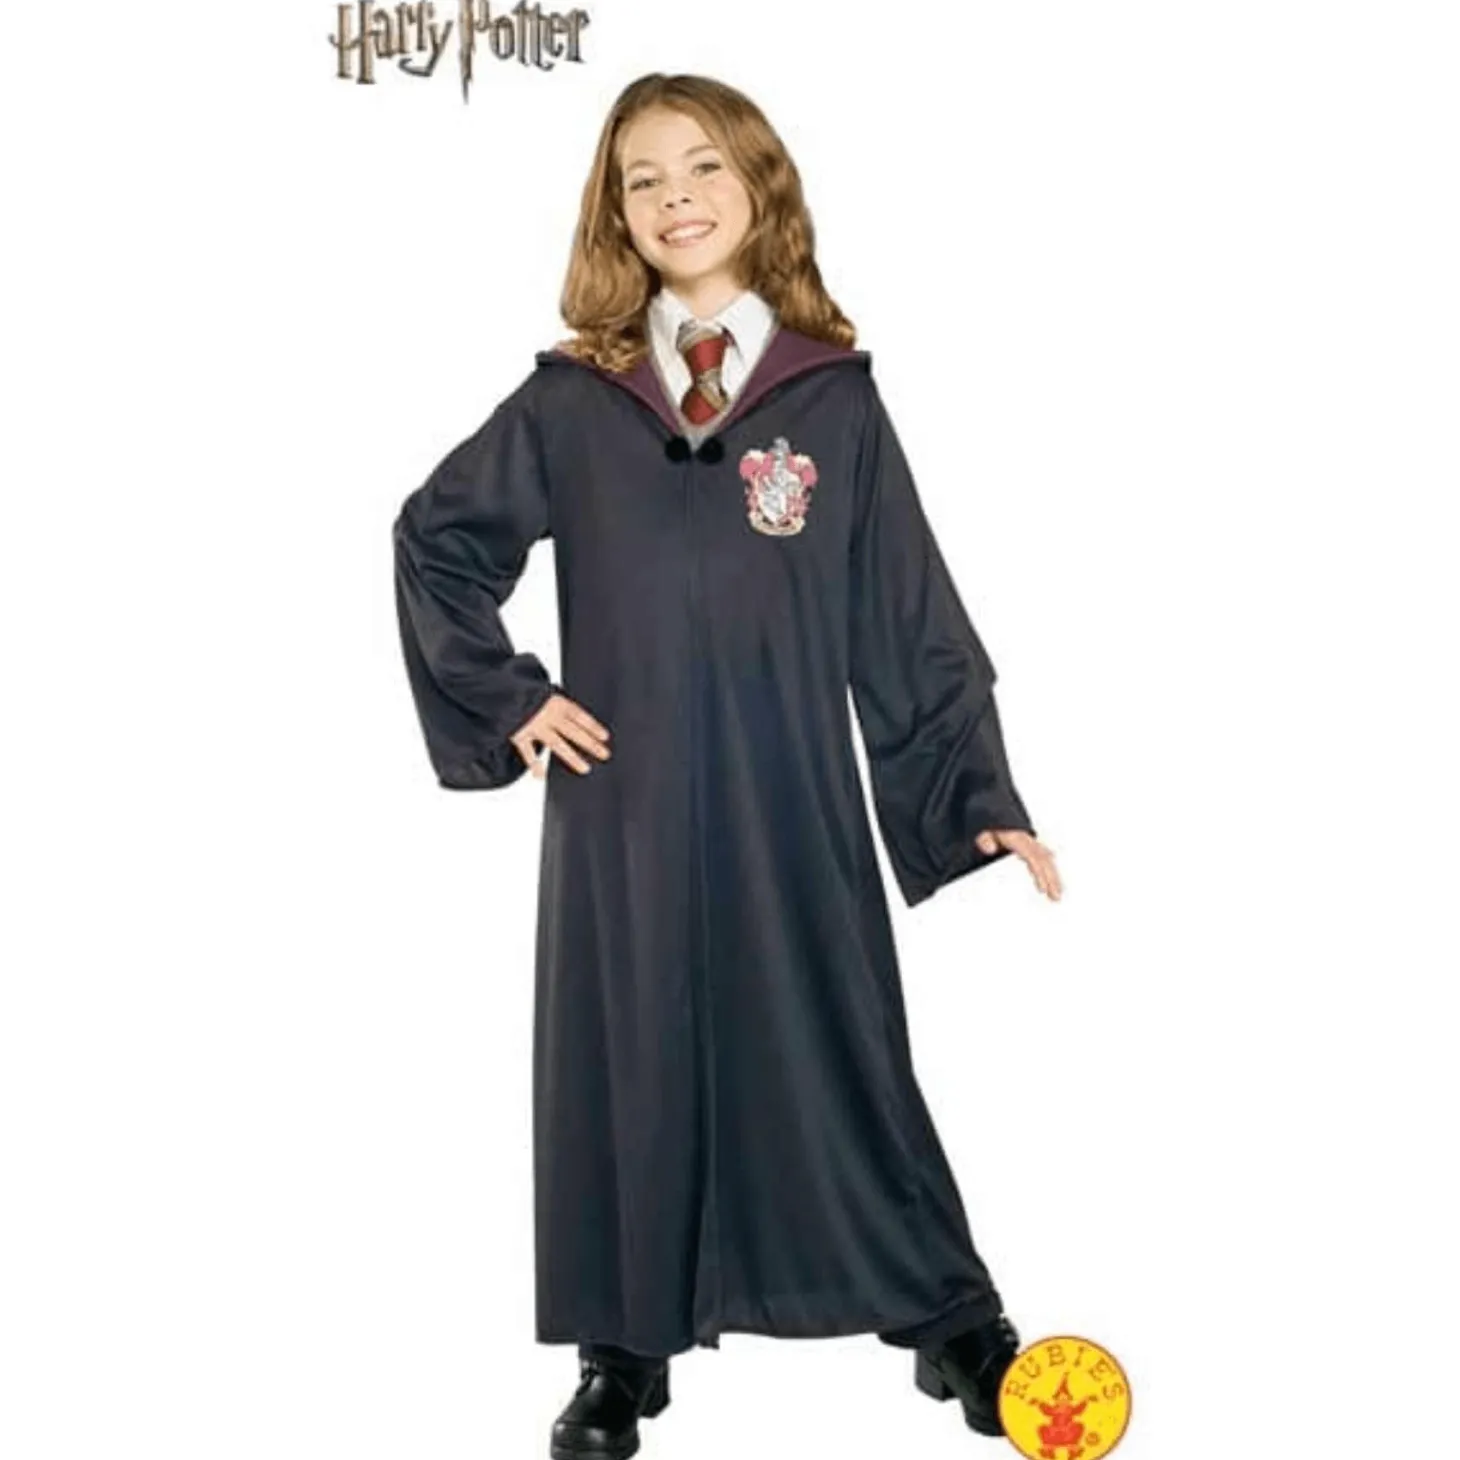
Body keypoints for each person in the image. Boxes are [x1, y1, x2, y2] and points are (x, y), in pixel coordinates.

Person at [392, 72, 1063, 1460]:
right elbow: (436, 540)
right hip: (623, 803)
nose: (677, 196)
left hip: (787, 794)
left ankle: (949, 1315)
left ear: (760, 187)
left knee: (841, 1041)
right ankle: (621, 1346)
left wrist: (973, 798)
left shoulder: (830, 402)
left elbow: (906, 614)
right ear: (614, 213)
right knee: (625, 1052)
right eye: (642, 178)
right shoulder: (576, 400)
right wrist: (511, 699)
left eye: (704, 166)